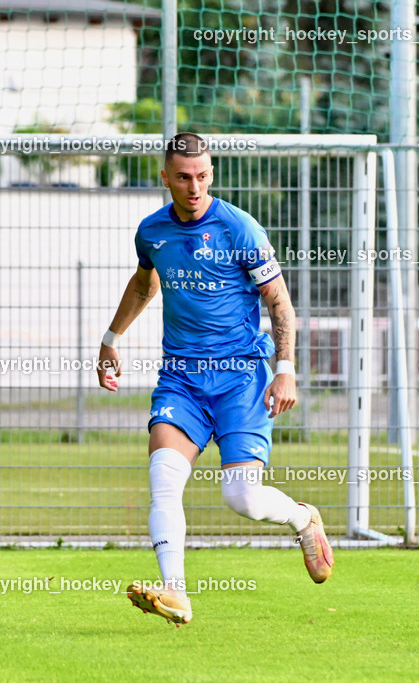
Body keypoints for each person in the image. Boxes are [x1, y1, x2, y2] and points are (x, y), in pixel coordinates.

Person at [96, 132, 333, 627]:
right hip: (180, 378)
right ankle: (175, 593)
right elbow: (145, 283)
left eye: (202, 175)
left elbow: (279, 302)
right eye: (183, 177)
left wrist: (285, 371)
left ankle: (302, 518)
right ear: (165, 178)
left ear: (211, 174)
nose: (194, 186)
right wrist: (111, 338)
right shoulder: (151, 232)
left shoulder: (238, 228)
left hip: (241, 378)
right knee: (164, 480)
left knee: (241, 497)